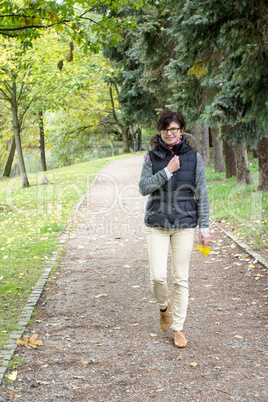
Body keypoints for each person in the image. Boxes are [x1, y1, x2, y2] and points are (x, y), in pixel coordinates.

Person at [139, 109, 210, 348]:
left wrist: (205, 225)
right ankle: (163, 307)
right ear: (160, 130)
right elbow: (143, 187)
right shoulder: (151, 156)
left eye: (175, 129)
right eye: (166, 129)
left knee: (181, 278)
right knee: (158, 276)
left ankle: (178, 328)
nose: (170, 133)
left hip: (185, 223)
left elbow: (202, 192)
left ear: (182, 130)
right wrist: (167, 171)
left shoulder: (193, 156)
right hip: (157, 222)